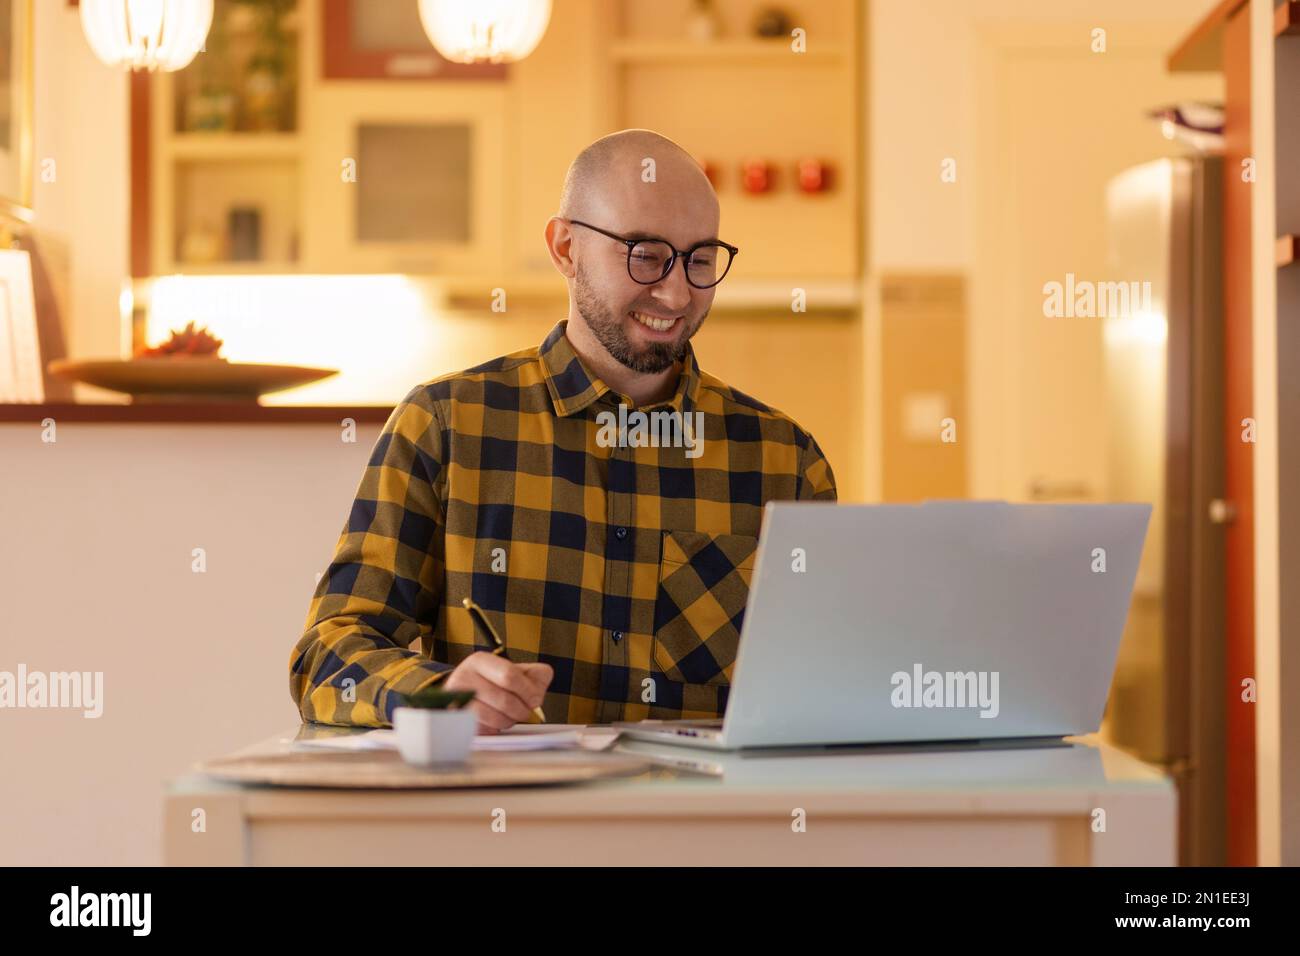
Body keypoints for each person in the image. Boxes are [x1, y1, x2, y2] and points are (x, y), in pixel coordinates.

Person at [289, 128, 836, 732]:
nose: (677, 290)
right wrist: (436, 692)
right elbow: (328, 657)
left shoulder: (785, 462)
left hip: (697, 822)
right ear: (566, 248)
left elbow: (829, 682)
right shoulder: (445, 425)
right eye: (646, 255)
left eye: (700, 260)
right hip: (504, 820)